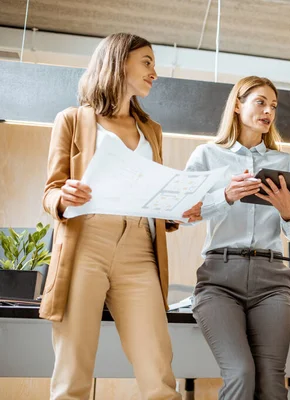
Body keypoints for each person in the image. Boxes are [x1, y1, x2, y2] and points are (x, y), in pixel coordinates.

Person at [41, 33, 197, 399]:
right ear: (118, 62)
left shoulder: (152, 131)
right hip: (86, 244)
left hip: (140, 249)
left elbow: (153, 195)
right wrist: (63, 197)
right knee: (72, 373)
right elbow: (50, 191)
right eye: (147, 62)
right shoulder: (73, 120)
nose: (154, 73)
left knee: (158, 371)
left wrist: (175, 210)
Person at [184, 76, 290, 400]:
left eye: (274, 106)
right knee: (240, 373)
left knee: (271, 383)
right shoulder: (207, 156)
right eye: (260, 102)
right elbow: (182, 215)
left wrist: (288, 211)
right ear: (238, 105)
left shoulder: (285, 162)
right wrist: (224, 196)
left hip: (272, 279)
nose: (268, 111)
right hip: (219, 279)